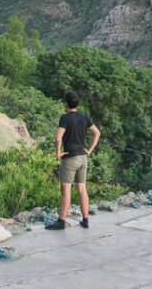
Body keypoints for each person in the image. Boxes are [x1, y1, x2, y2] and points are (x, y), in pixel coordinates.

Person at [46, 91, 100, 230]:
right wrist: (89, 150)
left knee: (66, 189)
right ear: (77, 103)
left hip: (70, 158)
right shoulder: (83, 116)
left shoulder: (65, 118)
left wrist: (58, 153)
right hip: (83, 158)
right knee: (82, 188)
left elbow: (58, 138)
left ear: (66, 103)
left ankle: (61, 221)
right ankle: (85, 220)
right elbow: (97, 133)